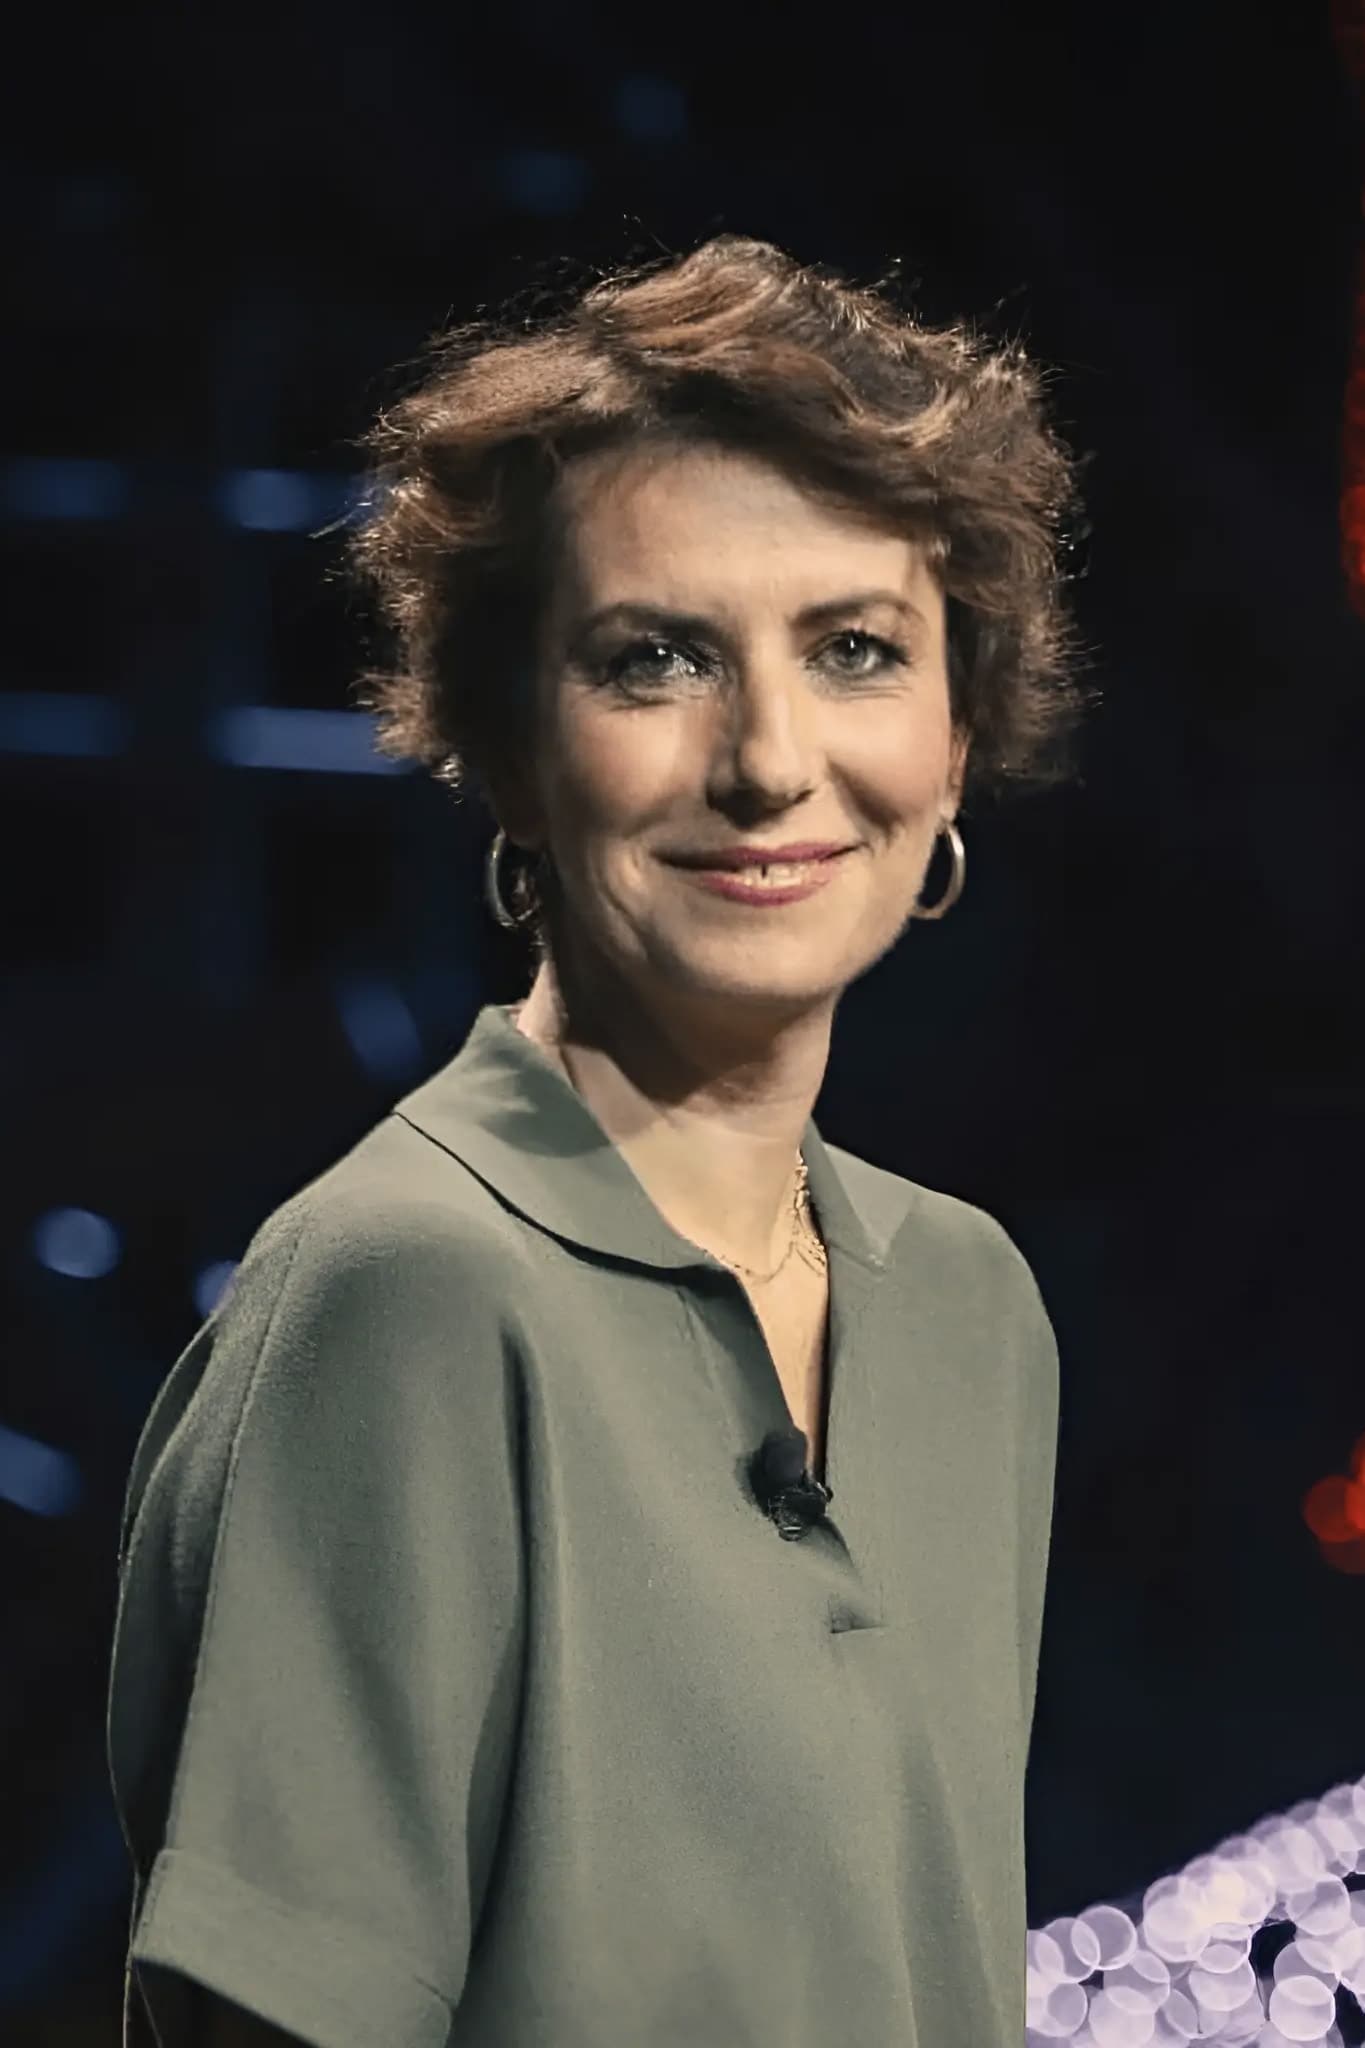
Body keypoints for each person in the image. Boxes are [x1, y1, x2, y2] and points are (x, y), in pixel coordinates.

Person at [107, 233, 1094, 2048]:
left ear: (955, 743)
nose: (768, 762)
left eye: (856, 650)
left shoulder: (971, 1308)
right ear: (505, 748)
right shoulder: (406, 1294)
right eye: (656, 660)